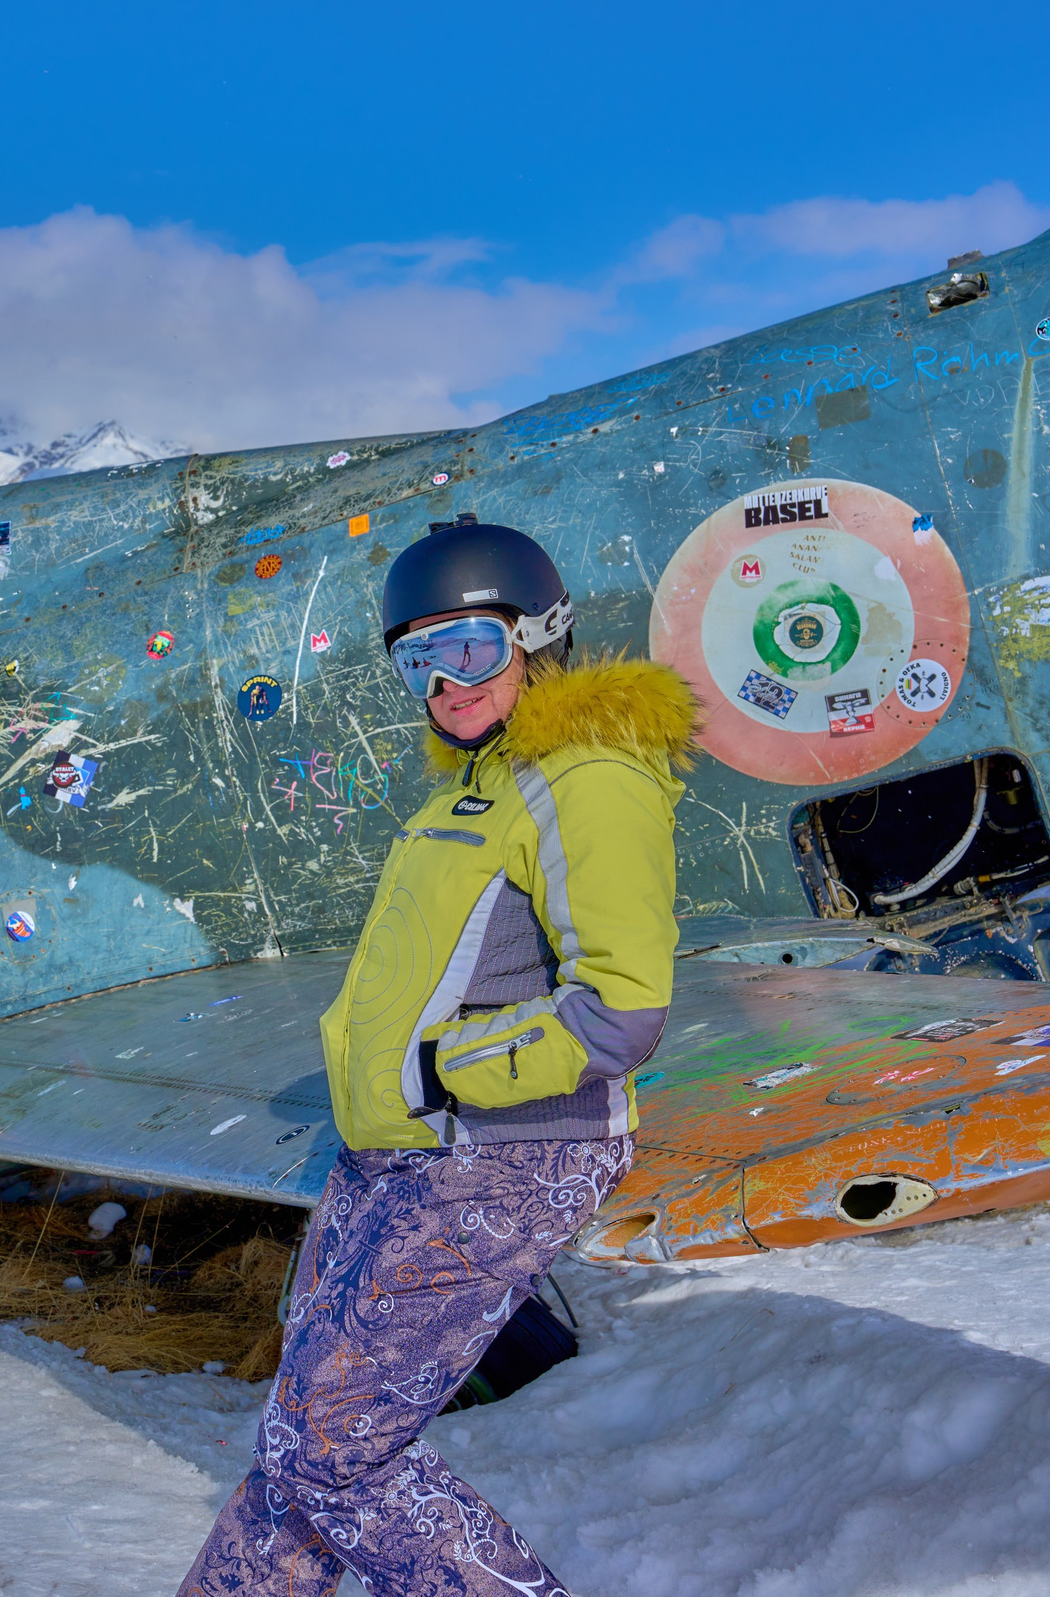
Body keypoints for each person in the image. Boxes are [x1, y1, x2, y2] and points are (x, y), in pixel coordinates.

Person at [181, 514, 696, 1597]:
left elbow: (620, 1009)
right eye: (418, 659)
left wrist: (440, 1073)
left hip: (508, 1156)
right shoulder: (479, 785)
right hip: (398, 1155)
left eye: (466, 647)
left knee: (336, 1454)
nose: (443, 682)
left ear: (536, 635)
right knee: (301, 1442)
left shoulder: (585, 777)